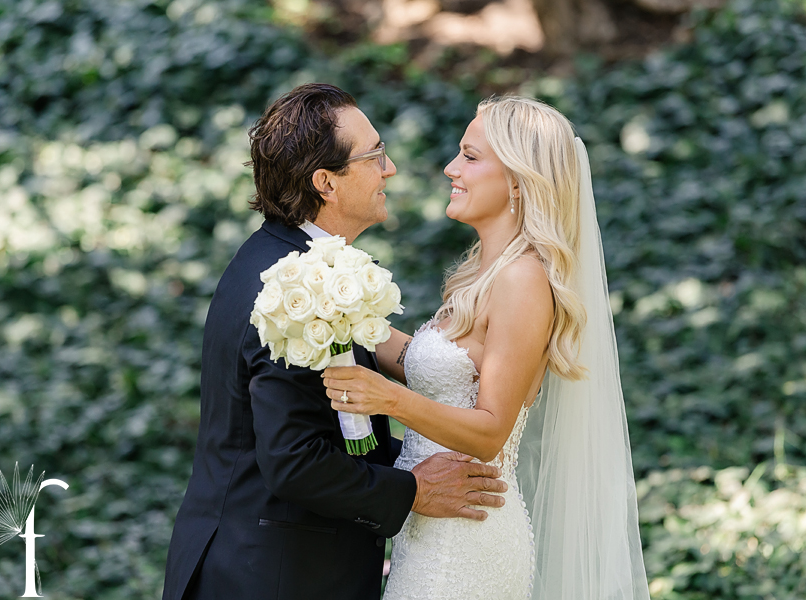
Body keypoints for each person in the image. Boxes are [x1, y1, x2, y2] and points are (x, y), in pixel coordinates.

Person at [161, 83, 509, 600]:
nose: (390, 169)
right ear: (326, 182)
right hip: (269, 578)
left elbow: (338, 431)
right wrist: (415, 490)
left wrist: (421, 455)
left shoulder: (285, 261)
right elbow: (295, 460)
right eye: (375, 155)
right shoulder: (294, 289)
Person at [323, 96, 651, 599]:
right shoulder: (483, 273)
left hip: (467, 541)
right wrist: (334, 305)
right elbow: (427, 366)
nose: (451, 168)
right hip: (434, 531)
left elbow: (491, 430)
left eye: (470, 156)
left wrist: (387, 399)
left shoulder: (523, 280)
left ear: (518, 180)